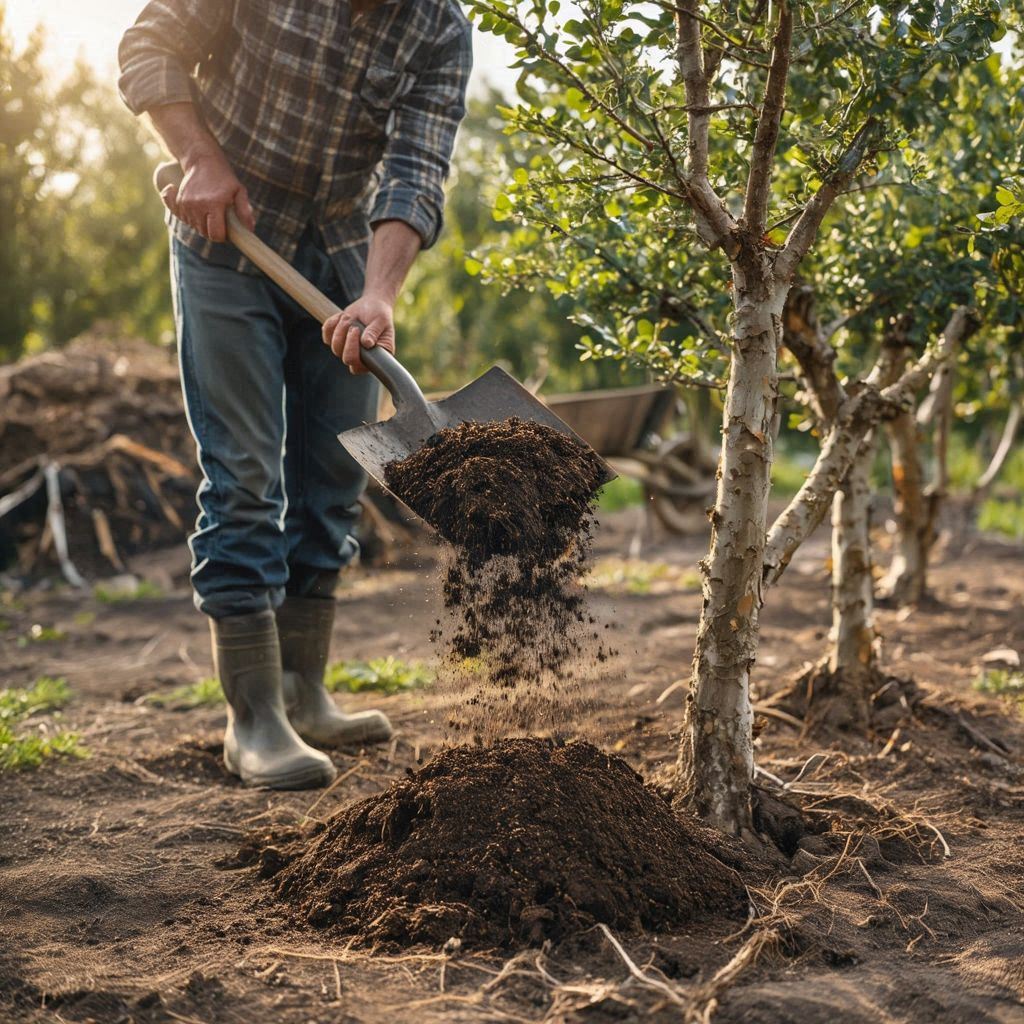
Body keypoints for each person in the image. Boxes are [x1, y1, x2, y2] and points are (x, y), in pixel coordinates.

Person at [118, 0, 472, 789]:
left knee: (334, 480)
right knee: (245, 476)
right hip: (227, 242)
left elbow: (417, 168)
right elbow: (150, 42)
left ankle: (303, 692)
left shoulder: (439, 28)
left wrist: (380, 294)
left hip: (341, 261)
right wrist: (199, 155)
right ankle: (253, 719)